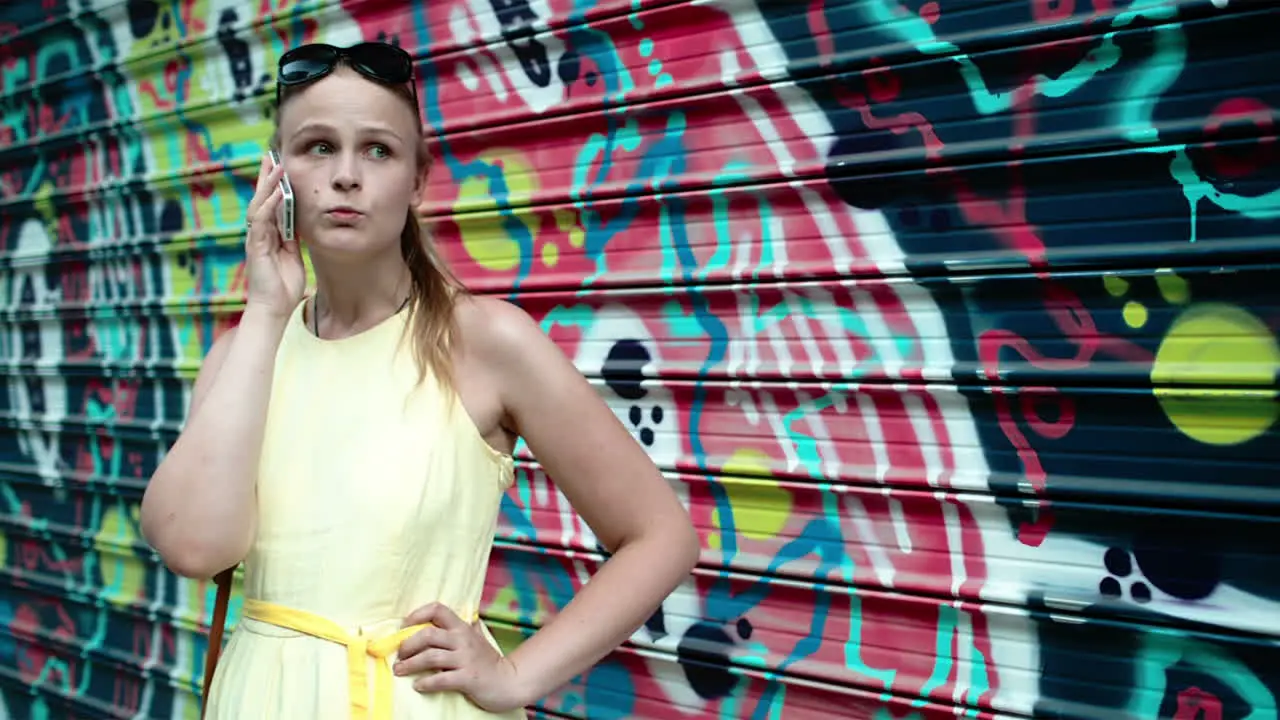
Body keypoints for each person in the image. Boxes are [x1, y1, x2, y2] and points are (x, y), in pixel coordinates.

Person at [139, 41, 699, 719]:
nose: (347, 175)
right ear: (277, 174)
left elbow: (660, 534)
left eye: (378, 149)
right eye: (318, 146)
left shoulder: (485, 341)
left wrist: (518, 675)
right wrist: (265, 309)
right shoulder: (242, 354)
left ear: (418, 179)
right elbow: (194, 545)